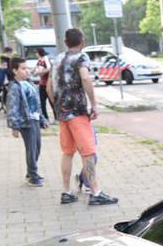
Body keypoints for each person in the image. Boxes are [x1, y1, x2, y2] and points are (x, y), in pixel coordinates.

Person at [49, 27, 117, 206]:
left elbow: (49, 86)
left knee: (67, 152)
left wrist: (57, 106)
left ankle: (66, 192)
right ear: (83, 42)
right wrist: (93, 104)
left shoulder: (56, 59)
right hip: (78, 112)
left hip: (62, 114)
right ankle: (95, 192)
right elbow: (85, 78)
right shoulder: (81, 57)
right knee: (88, 152)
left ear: (65, 42)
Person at [7, 57, 47, 187]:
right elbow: (12, 107)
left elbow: (37, 103)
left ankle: (31, 172)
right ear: (15, 71)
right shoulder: (14, 87)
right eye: (23, 69)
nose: (26, 71)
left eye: (27, 68)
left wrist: (42, 118)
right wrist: (15, 126)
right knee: (31, 148)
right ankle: (33, 175)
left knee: (37, 147)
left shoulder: (29, 83)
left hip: (35, 119)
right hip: (26, 121)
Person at [33, 48, 52, 122]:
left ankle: (56, 117)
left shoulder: (46, 59)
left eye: (36, 52)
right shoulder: (39, 60)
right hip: (42, 83)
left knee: (51, 101)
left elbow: (49, 68)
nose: (35, 54)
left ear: (39, 53)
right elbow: (36, 68)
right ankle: (45, 118)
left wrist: (41, 73)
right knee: (42, 101)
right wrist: (32, 72)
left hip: (48, 83)